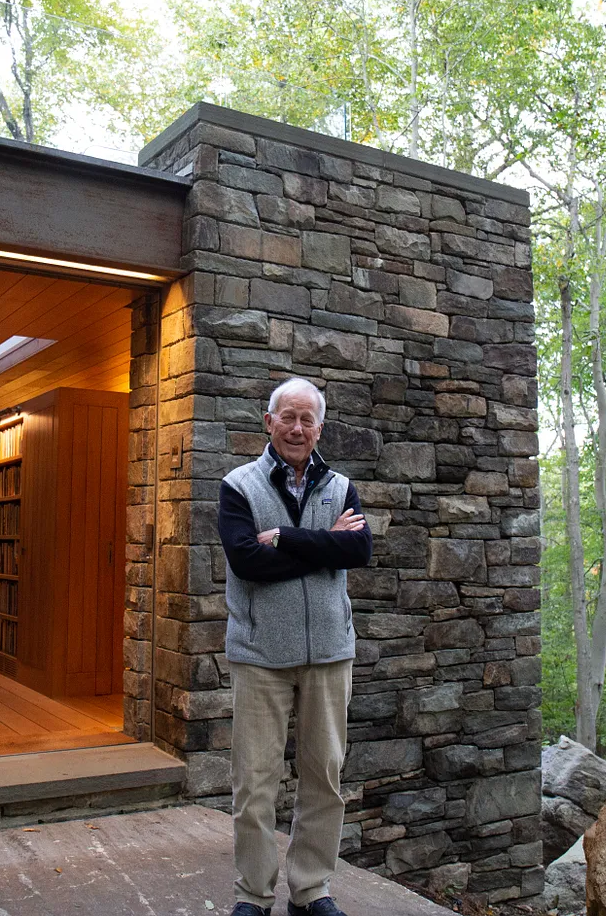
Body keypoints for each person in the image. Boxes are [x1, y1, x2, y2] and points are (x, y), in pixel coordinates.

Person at [217, 377, 373, 916]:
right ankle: (252, 895)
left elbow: (360, 550)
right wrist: (325, 543)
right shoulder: (238, 485)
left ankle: (311, 890)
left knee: (324, 778)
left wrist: (284, 537)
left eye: (308, 420)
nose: (297, 428)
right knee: (254, 783)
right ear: (269, 421)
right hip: (261, 656)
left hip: (331, 653)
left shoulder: (342, 485)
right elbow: (246, 562)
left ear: (320, 428)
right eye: (288, 417)